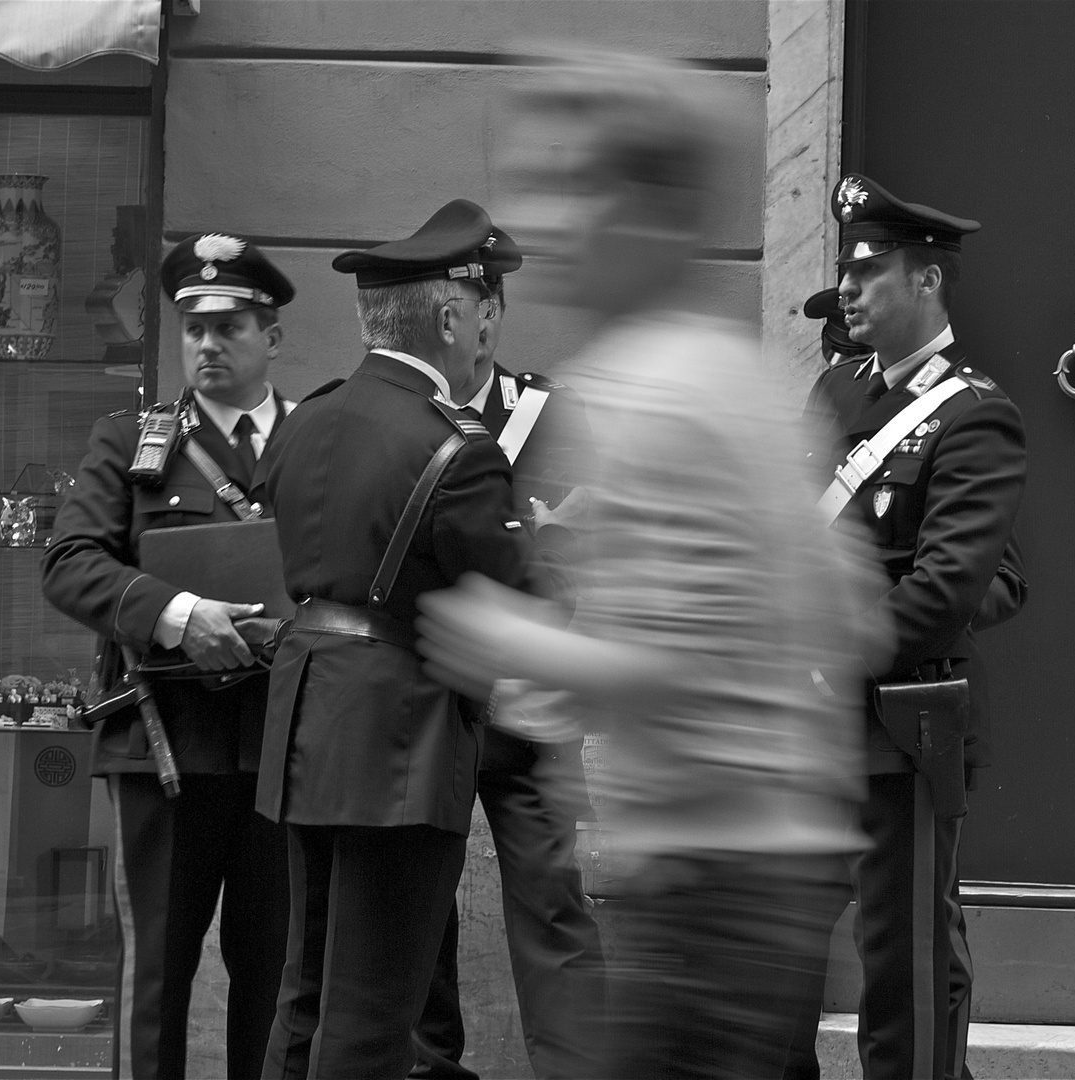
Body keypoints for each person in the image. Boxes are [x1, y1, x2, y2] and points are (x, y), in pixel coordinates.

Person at [414, 54, 886, 1080]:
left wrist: (514, 642)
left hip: (717, 887)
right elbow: (847, 614)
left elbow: (702, 666)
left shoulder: (657, 391)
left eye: (577, 185)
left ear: (657, 211)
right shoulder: (712, 371)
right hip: (742, 869)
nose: (545, 216)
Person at [254, 198, 535, 1080]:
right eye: (481, 308)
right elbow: (503, 607)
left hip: (306, 717)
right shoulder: (461, 447)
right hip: (401, 737)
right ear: (450, 315)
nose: (485, 327)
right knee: (374, 1013)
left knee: (305, 992)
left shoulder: (307, 418)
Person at [41, 234, 296, 1080]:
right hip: (166, 749)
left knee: (278, 977)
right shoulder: (129, 442)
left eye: (229, 327)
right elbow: (71, 564)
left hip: (284, 751)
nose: (208, 345)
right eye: (194, 329)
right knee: (155, 976)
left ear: (272, 335)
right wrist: (179, 615)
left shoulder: (318, 442)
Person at [805, 173, 1028, 1080]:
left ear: (927, 282)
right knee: (780, 939)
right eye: (846, 273)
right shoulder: (835, 393)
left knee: (901, 958)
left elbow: (946, 586)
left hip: (897, 722)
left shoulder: (975, 416)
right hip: (802, 719)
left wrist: (828, 655)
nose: (848, 290)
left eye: (870, 272)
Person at [411, 264, 607, 1080]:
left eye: (463, 310)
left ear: (489, 315)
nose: (454, 325)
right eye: (439, 310)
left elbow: (582, 551)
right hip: (428, 697)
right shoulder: (404, 412)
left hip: (528, 703)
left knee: (553, 910)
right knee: (421, 911)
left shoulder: (547, 416)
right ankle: (431, 1069)